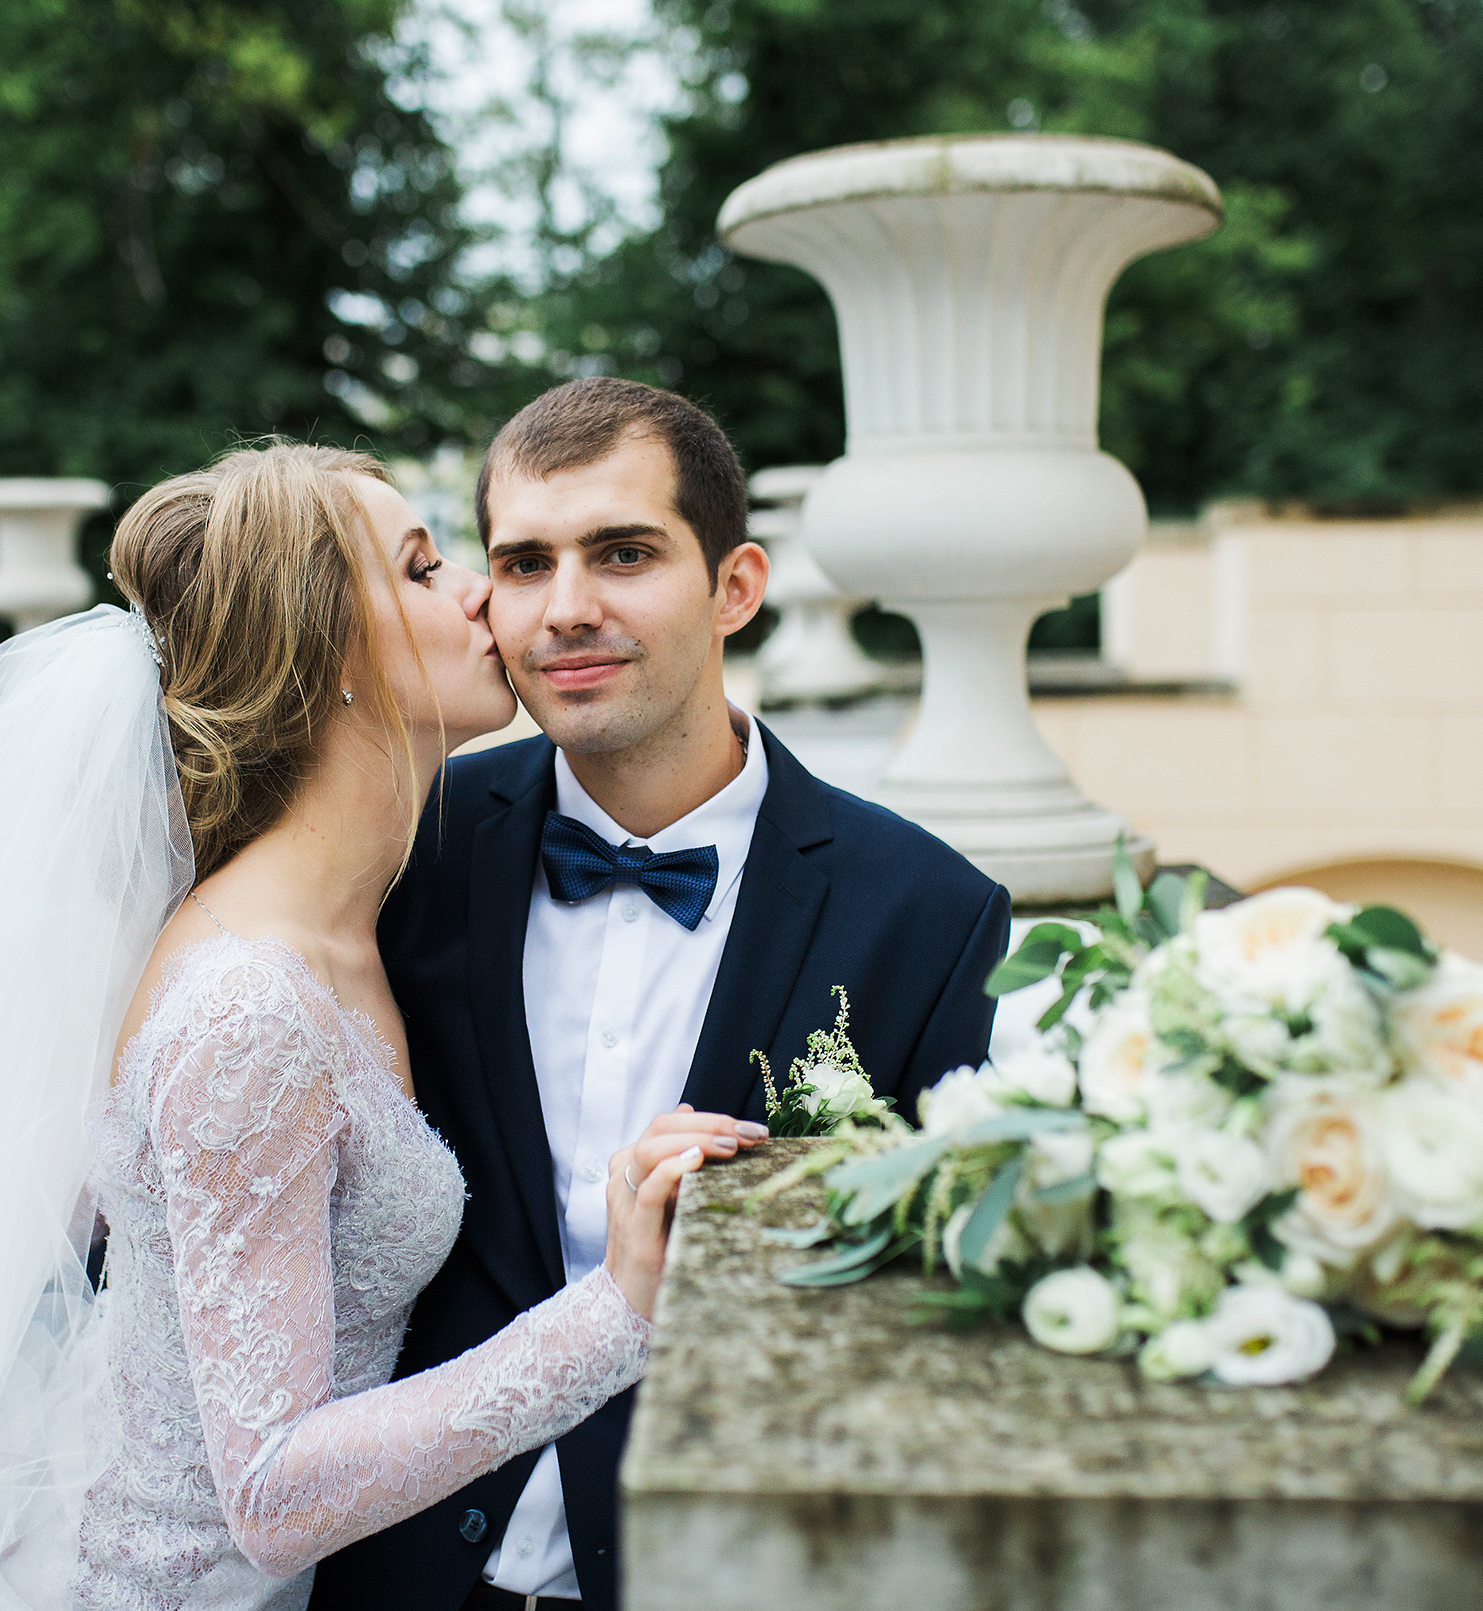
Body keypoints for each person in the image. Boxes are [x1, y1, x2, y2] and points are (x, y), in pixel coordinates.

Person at [0, 442, 764, 1611]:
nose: (477, 595)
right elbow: (271, 1491)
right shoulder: (250, 1009)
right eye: (418, 569)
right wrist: (618, 1312)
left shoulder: (366, 927)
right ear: (326, 653)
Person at [309, 379, 1013, 1611]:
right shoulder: (401, 854)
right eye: (524, 564)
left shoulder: (929, 914)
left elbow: (935, 1315)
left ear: (735, 586)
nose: (568, 609)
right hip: (398, 1571)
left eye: (623, 554)